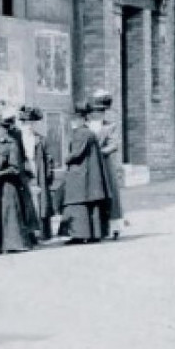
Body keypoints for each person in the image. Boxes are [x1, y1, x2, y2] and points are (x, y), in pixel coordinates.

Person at [0, 108, 35, 254]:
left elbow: (15, 168)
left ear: (5, 130)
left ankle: (12, 244)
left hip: (9, 185)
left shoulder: (12, 144)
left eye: (0, 129)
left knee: (9, 213)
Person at [61, 102, 112, 244]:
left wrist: (65, 159)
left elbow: (76, 153)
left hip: (80, 175)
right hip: (89, 175)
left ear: (79, 119)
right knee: (91, 206)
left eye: (73, 120)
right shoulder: (89, 133)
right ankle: (93, 234)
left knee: (77, 204)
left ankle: (78, 235)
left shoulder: (80, 133)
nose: (71, 123)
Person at [88, 90, 124, 239]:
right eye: (96, 110)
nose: (99, 113)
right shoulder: (87, 126)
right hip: (91, 164)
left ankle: (115, 227)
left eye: (102, 110)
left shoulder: (110, 126)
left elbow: (114, 145)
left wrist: (100, 152)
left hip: (105, 163)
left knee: (111, 193)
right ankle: (96, 227)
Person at [17, 106, 55, 241]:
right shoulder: (16, 138)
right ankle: (28, 233)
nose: (29, 126)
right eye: (26, 123)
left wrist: (48, 172)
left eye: (32, 123)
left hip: (38, 170)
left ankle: (41, 231)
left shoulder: (40, 139)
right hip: (22, 172)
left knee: (39, 201)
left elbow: (49, 157)